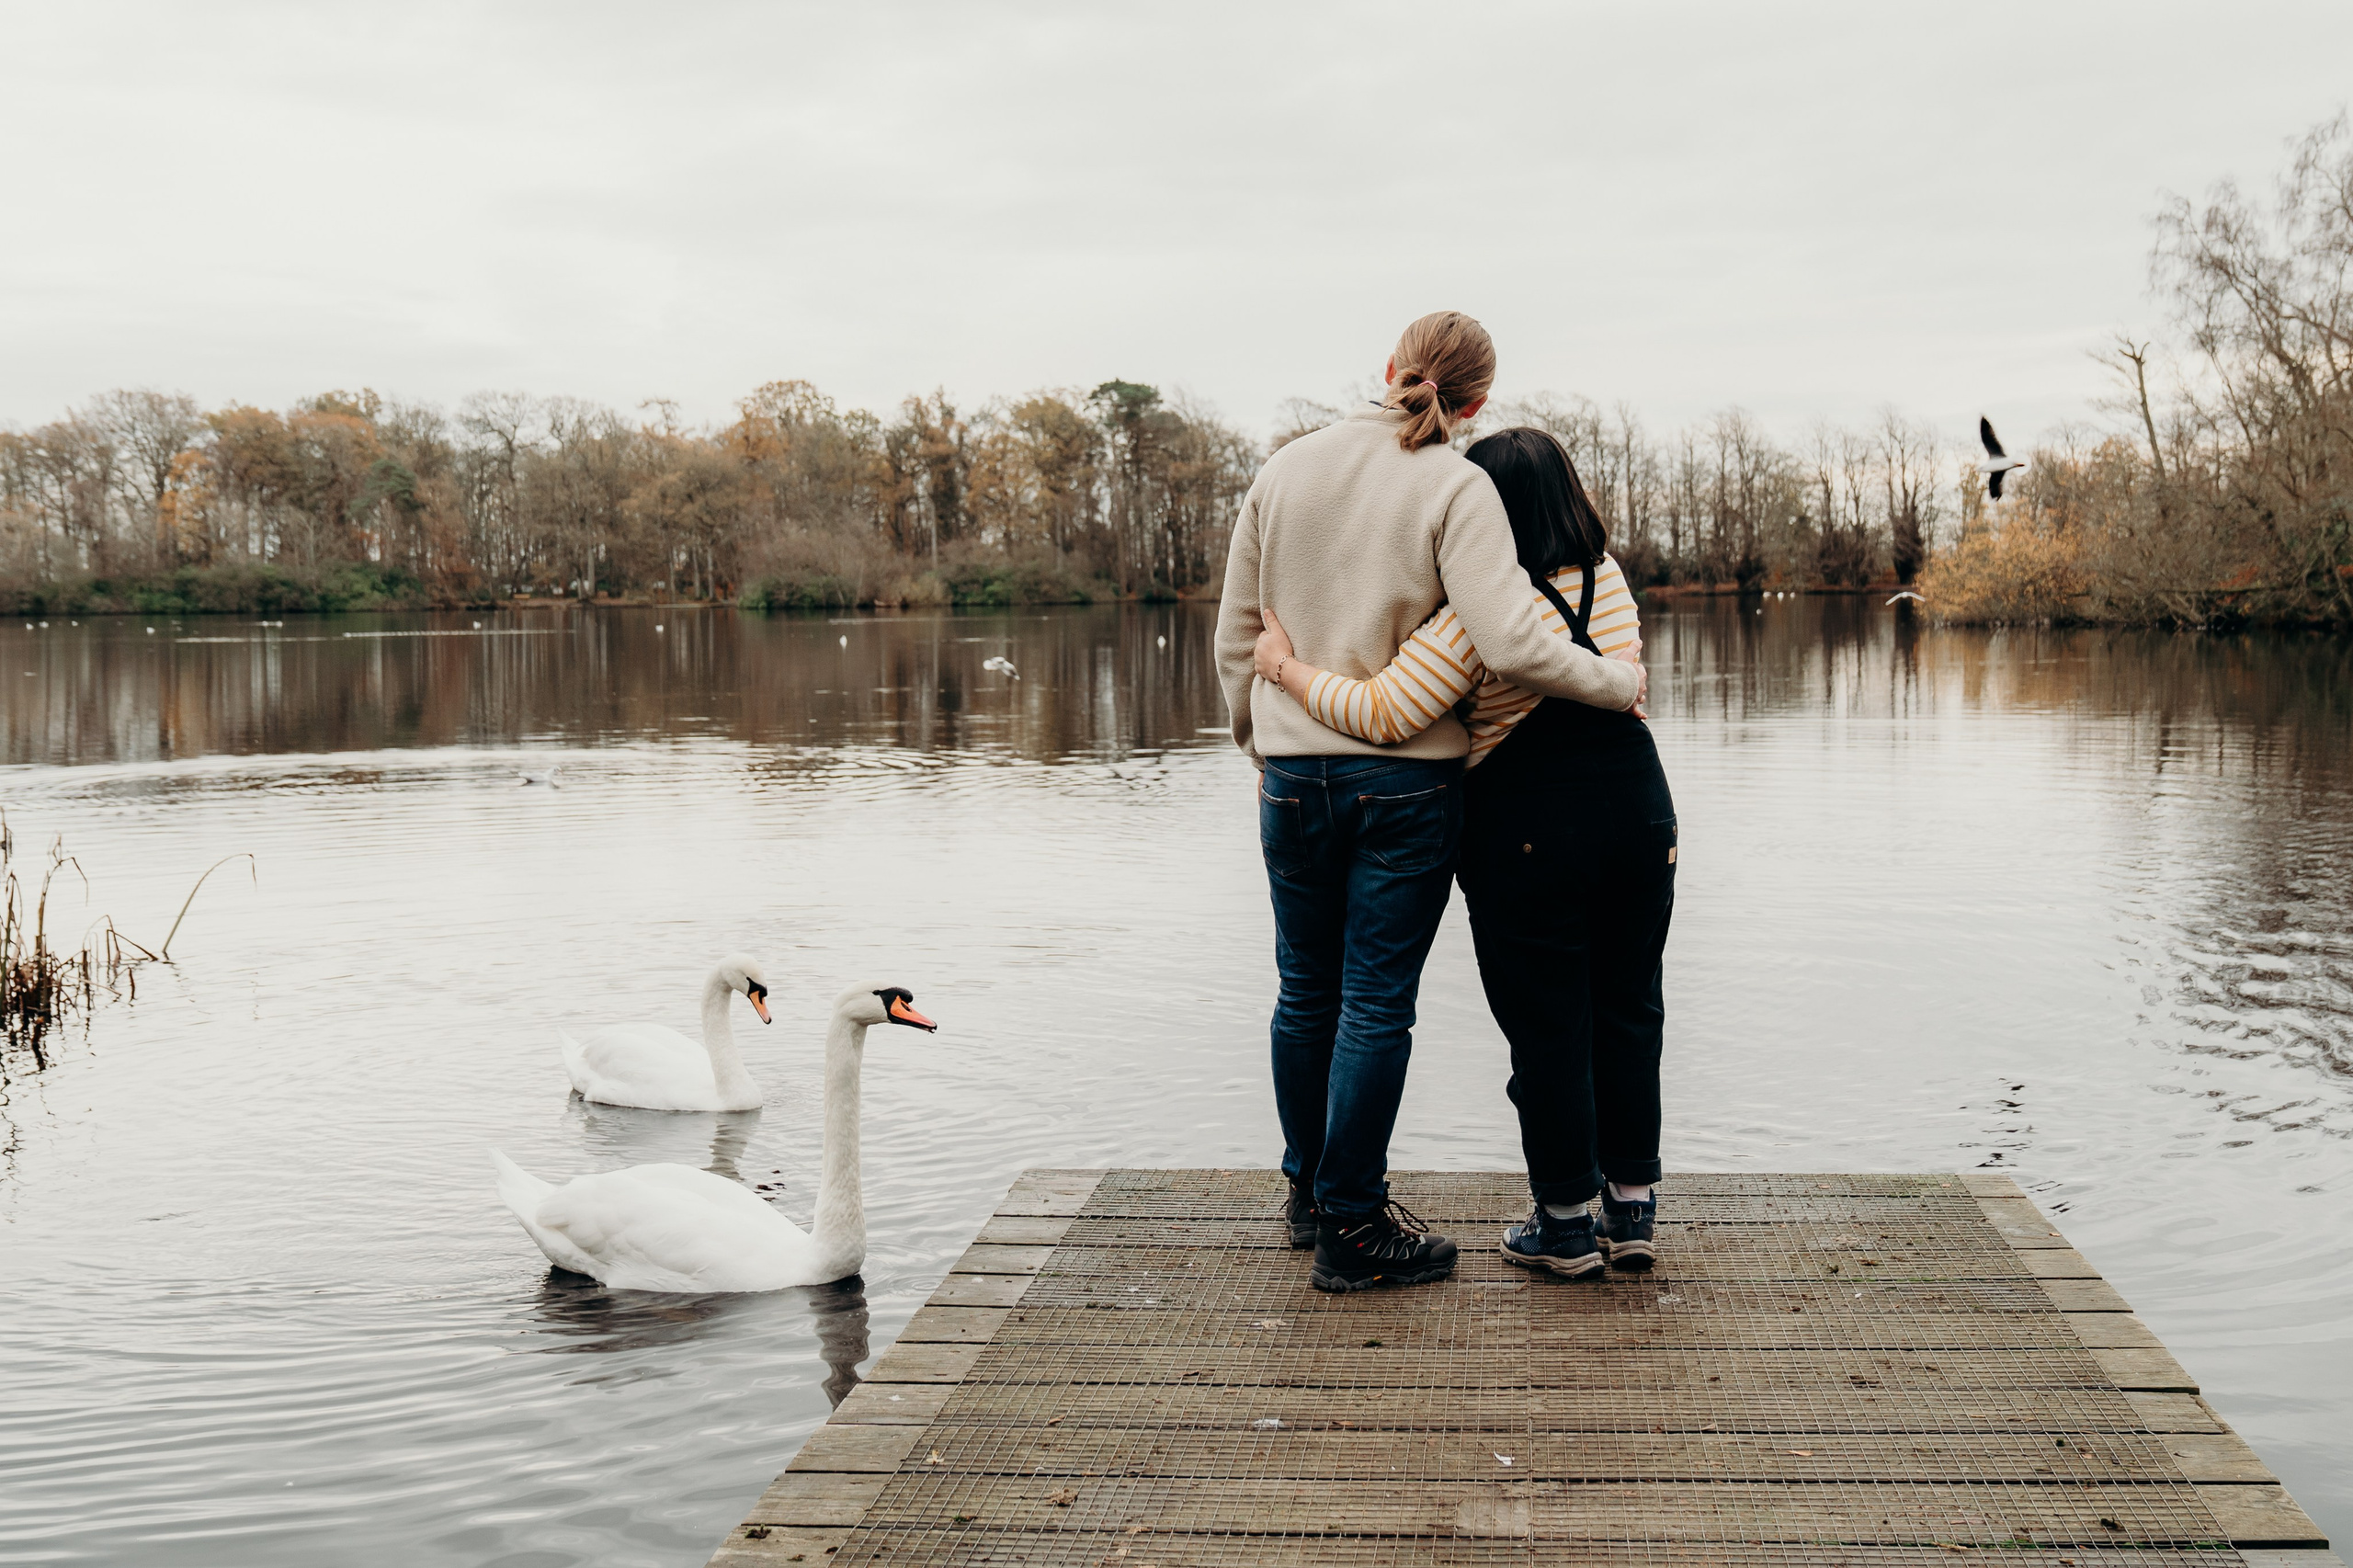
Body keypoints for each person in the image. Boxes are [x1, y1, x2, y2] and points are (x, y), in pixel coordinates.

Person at [1214, 313, 1645, 1294]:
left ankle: (1307, 1194)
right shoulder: (1458, 483)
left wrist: (1256, 741)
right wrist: (1618, 682)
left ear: (1388, 369)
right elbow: (1512, 641)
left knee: (1303, 988)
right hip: (1405, 781)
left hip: (1291, 773)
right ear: (1479, 402)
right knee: (1373, 1000)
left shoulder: (1282, 470)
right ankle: (1354, 1221)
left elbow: (1238, 635)